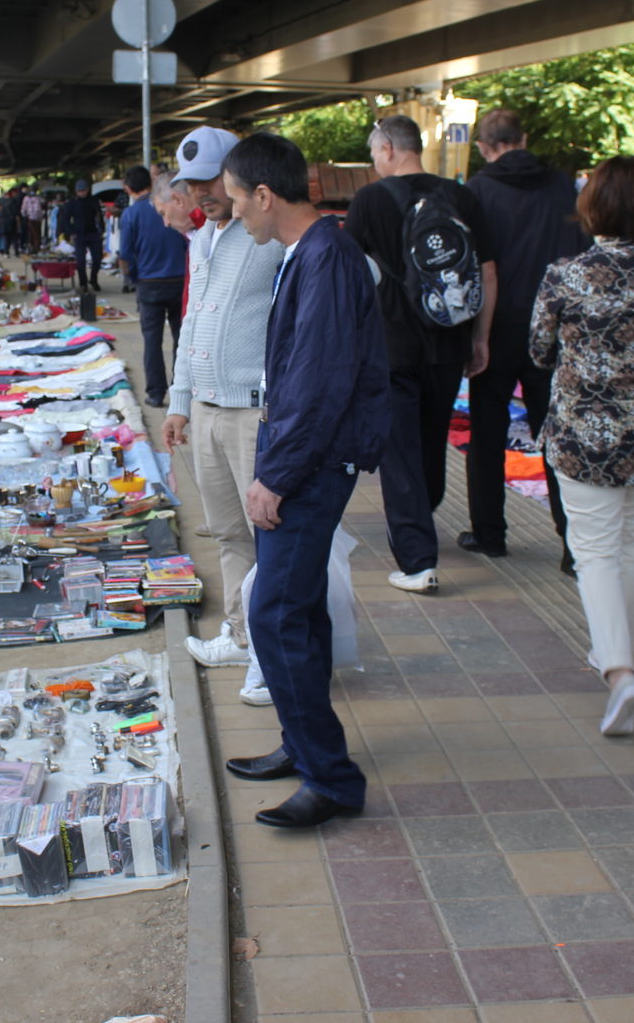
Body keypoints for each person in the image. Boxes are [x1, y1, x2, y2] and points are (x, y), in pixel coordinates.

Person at [220, 132, 389, 829]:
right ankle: (302, 745)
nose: (236, 217)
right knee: (300, 606)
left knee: (275, 612)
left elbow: (317, 383)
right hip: (310, 456)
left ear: (265, 195)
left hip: (313, 462)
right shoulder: (311, 253)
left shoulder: (325, 258)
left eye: (236, 203)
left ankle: (331, 777)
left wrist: (274, 477)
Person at [529, 156, 634, 736]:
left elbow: (537, 349)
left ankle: (619, 670)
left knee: (595, 552)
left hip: (588, 437)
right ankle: (613, 653)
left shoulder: (566, 274)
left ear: (593, 205)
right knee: (632, 547)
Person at [343, 115, 496, 594]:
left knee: (400, 450)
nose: (374, 163)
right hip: (449, 337)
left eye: (373, 154)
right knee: (432, 436)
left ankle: (417, 560)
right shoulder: (461, 195)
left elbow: (346, 273)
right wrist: (480, 338)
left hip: (393, 344)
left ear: (388, 148)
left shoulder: (370, 200)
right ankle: (423, 513)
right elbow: (487, 274)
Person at [161, 127, 284, 707]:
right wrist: (179, 398)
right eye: (192, 184)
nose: (201, 194)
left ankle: (270, 655)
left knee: (270, 540)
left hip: (252, 412)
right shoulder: (199, 239)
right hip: (206, 409)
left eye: (210, 182)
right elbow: (192, 322)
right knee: (230, 535)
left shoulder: (268, 236)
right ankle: (240, 636)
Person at [461, 109, 583, 571]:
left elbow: (472, 266)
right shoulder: (562, 186)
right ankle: (573, 546)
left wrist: (476, 334)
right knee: (556, 439)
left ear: (483, 146)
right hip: (556, 330)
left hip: (496, 328)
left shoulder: (478, 191)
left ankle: (490, 535)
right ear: (524, 137)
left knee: (487, 434)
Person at [118, 165, 190, 407]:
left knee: (152, 340)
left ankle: (156, 394)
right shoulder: (175, 205)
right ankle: (184, 393)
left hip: (149, 284)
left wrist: (134, 277)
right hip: (180, 281)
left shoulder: (131, 214)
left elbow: (126, 253)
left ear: (128, 188)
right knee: (183, 339)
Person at [61, 179, 106, 291]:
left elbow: (99, 215)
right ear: (76, 191)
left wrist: (102, 230)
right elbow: (65, 220)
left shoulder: (93, 201)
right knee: (80, 261)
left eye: (83, 191)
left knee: (98, 258)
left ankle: (93, 279)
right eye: (79, 191)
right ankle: (83, 283)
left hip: (93, 233)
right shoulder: (71, 203)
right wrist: (71, 232)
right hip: (79, 234)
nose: (81, 193)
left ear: (88, 190)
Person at [20, 188, 44, 253]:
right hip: (36, 218)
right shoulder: (38, 198)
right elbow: (40, 208)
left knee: (32, 233)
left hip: (30, 217)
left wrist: (24, 215)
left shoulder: (26, 198)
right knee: (36, 234)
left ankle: (33, 247)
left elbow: (23, 209)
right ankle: (35, 247)